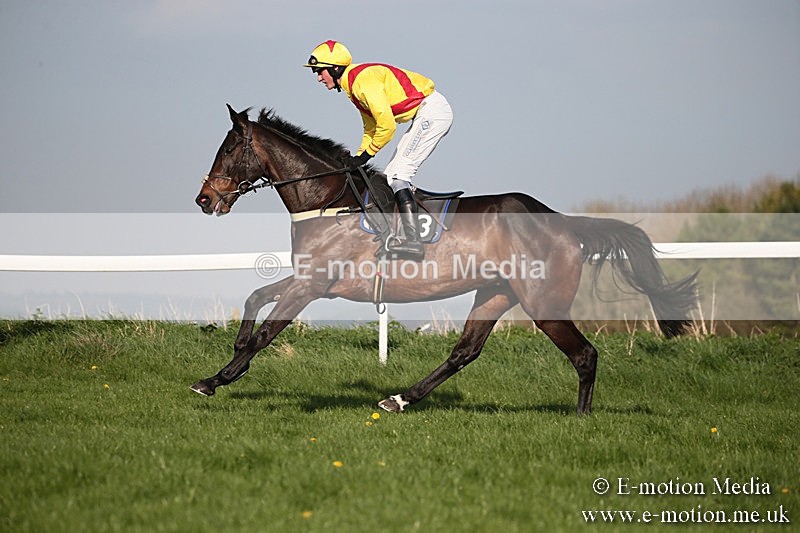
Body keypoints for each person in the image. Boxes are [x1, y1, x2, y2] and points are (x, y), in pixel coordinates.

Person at [304, 40, 453, 260]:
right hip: (425, 113)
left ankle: (413, 241)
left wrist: (367, 155)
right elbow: (371, 127)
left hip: (431, 113)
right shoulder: (352, 86)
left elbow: (387, 127)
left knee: (398, 175)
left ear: (335, 69)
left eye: (320, 71)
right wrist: (358, 156)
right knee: (393, 173)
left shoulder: (362, 82)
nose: (318, 78)